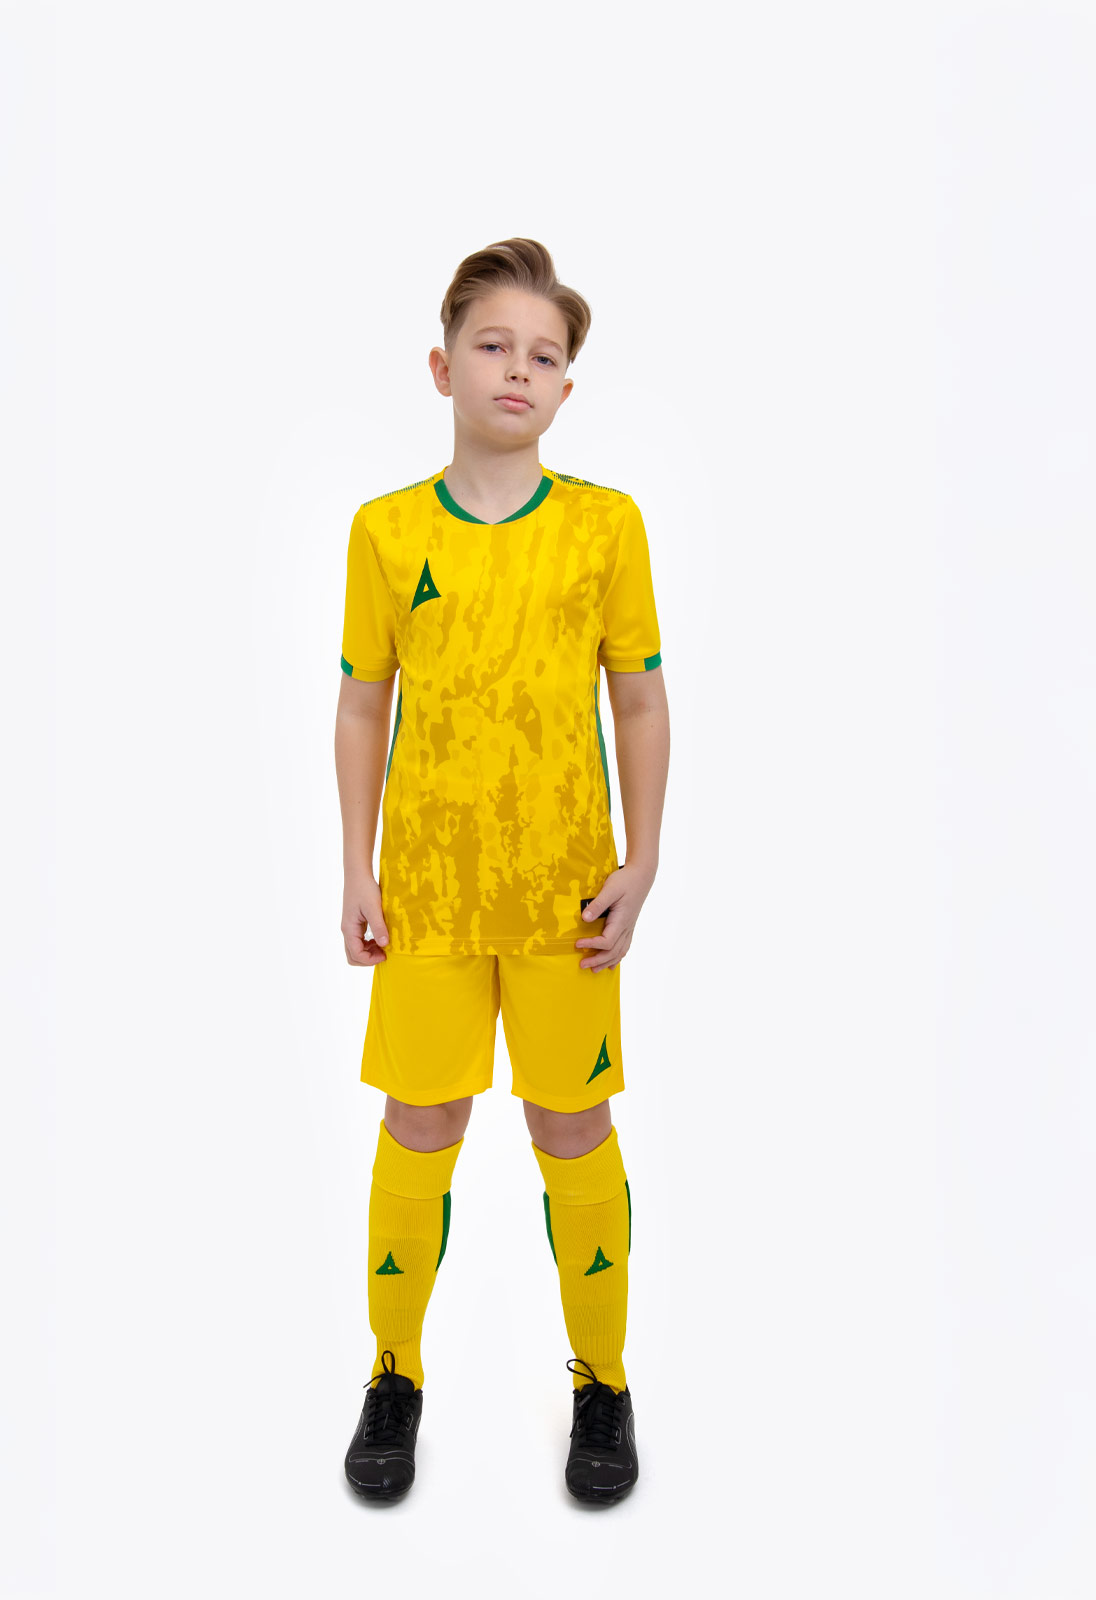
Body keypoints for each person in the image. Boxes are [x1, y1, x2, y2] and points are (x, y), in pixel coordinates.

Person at [335, 238, 669, 1504]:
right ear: (443, 366)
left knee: (570, 1126)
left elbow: (640, 701)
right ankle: (393, 1372)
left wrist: (643, 858)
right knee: (419, 1123)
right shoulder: (385, 532)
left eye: (543, 354)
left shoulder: (604, 526)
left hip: (564, 898)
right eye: (493, 344)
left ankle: (604, 1380)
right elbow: (362, 705)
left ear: (566, 388)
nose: (517, 369)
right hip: (425, 894)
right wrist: (356, 866)